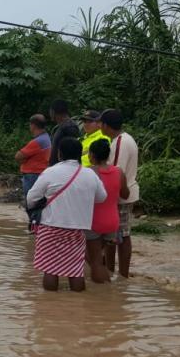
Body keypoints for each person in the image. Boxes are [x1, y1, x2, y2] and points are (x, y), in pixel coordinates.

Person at [26, 137, 107, 292]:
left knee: (50, 269)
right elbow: (101, 197)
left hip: (51, 226)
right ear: (79, 154)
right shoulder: (89, 174)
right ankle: (77, 303)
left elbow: (31, 198)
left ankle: (49, 303)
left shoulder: (50, 172)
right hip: (78, 228)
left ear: (59, 154)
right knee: (75, 269)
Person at [100, 109, 139, 278]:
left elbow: (116, 171)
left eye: (101, 124)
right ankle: (111, 270)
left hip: (121, 196)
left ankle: (122, 274)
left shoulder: (120, 142)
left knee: (122, 235)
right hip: (124, 193)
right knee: (115, 234)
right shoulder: (123, 139)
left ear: (106, 126)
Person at [85, 139, 129, 284]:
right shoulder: (119, 171)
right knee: (96, 257)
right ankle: (106, 279)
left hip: (94, 222)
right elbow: (125, 195)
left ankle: (106, 291)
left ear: (91, 155)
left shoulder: (89, 172)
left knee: (93, 259)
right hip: (112, 223)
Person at [15, 114, 51, 227]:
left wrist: (25, 159)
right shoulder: (46, 138)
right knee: (38, 203)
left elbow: (18, 156)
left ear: (33, 125)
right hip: (39, 174)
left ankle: (35, 227)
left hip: (33, 176)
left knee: (31, 203)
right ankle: (37, 226)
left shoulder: (37, 142)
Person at [48, 100, 79, 166]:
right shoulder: (60, 127)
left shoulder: (69, 127)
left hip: (64, 168)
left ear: (53, 112)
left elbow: (71, 151)